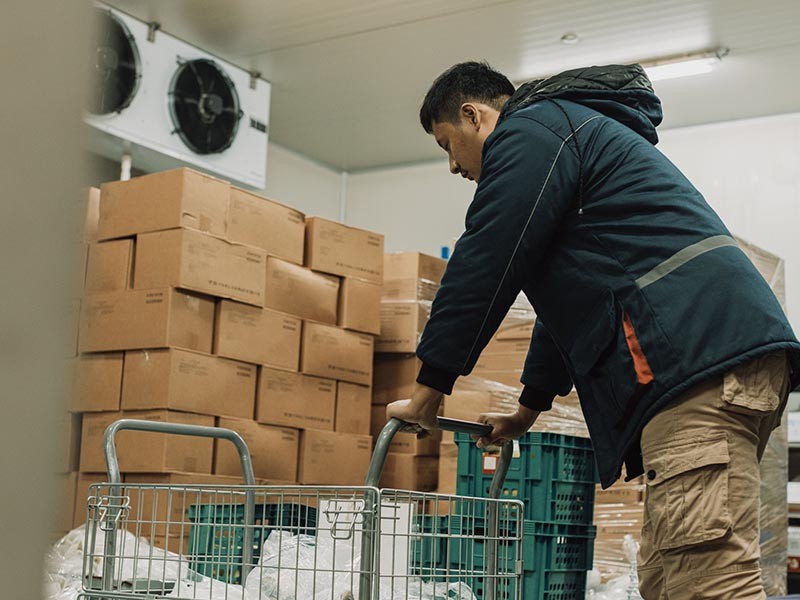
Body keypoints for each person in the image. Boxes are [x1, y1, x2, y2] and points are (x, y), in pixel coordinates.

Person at [385, 61, 800, 599]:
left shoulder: (530, 131)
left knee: (707, 582)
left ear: (474, 115)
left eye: (447, 143)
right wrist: (527, 409)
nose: (451, 165)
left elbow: (487, 258)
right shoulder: (563, 134)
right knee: (667, 580)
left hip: (694, 362)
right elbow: (574, 303)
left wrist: (428, 391)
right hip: (708, 359)